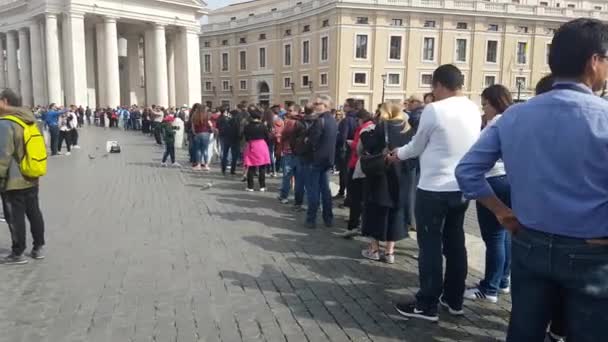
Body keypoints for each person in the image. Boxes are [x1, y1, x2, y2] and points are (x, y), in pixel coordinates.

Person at [456, 18, 608, 342]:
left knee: (524, 331)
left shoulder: (513, 116)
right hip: (591, 251)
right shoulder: (604, 117)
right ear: (594, 61)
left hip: (529, 240)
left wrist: (500, 211)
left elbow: (467, 170)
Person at [389, 64, 481, 321]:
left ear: (439, 84)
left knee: (429, 246)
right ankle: (454, 299)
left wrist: (397, 154)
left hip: (433, 188)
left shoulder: (435, 109)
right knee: (455, 244)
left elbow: (417, 146)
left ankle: (426, 304)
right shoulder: (473, 108)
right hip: (460, 187)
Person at [462, 84, 513, 304]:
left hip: (492, 180)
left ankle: (489, 287)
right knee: (505, 234)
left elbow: (475, 159)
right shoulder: (513, 120)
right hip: (509, 181)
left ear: (494, 103)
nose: (484, 109)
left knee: (493, 237)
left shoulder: (494, 124)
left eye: (485, 104)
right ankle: (502, 280)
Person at [359, 103, 411, 264]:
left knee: (375, 210)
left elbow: (368, 144)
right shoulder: (408, 129)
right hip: (401, 176)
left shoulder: (382, 127)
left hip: (381, 174)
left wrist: (367, 131)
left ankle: (374, 249)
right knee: (396, 212)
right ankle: (390, 252)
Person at [0, 89, 46, 264]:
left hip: (13, 180)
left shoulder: (6, 123)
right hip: (32, 175)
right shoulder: (30, 120)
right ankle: (38, 247)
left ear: (4, 101)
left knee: (14, 215)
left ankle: (17, 252)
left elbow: (2, 156)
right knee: (34, 212)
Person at [305, 95, 338, 229]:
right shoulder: (333, 120)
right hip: (328, 159)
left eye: (318, 103)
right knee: (325, 190)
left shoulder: (320, 121)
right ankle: (328, 218)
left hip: (317, 159)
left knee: (313, 190)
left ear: (325, 106)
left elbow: (312, 141)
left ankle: (311, 219)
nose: (315, 105)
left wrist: (307, 141)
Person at [340, 109, 373, 239]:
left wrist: (350, 143)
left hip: (357, 164)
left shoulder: (363, 129)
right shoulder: (373, 127)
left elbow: (359, 148)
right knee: (363, 197)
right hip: (367, 166)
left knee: (355, 197)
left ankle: (353, 225)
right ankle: (361, 224)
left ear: (361, 119)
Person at [335, 98, 359, 200]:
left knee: (344, 173)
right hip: (355, 148)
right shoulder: (358, 118)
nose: (343, 107)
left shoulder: (346, 120)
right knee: (351, 173)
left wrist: (340, 146)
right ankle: (350, 195)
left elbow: (342, 137)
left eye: (345, 105)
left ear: (350, 107)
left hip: (346, 150)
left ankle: (342, 193)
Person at [277, 104, 301, 204]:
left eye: (291, 110)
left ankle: (284, 196)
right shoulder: (302, 121)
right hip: (299, 152)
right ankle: (298, 199)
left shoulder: (290, 122)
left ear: (296, 111)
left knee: (287, 175)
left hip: (289, 151)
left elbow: (284, 135)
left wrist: (281, 146)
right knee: (299, 177)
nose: (288, 112)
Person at [243, 108, 270, 191]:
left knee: (251, 166)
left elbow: (246, 138)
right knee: (262, 167)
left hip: (252, 145)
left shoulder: (247, 127)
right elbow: (267, 137)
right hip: (262, 145)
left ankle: (250, 186)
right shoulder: (263, 126)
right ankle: (262, 186)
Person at [191, 105, 214, 171]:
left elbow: (193, 126)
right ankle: (206, 165)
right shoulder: (207, 116)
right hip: (206, 133)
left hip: (198, 133)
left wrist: (194, 133)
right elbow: (210, 125)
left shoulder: (194, 116)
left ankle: (198, 165)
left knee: (198, 150)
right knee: (205, 150)